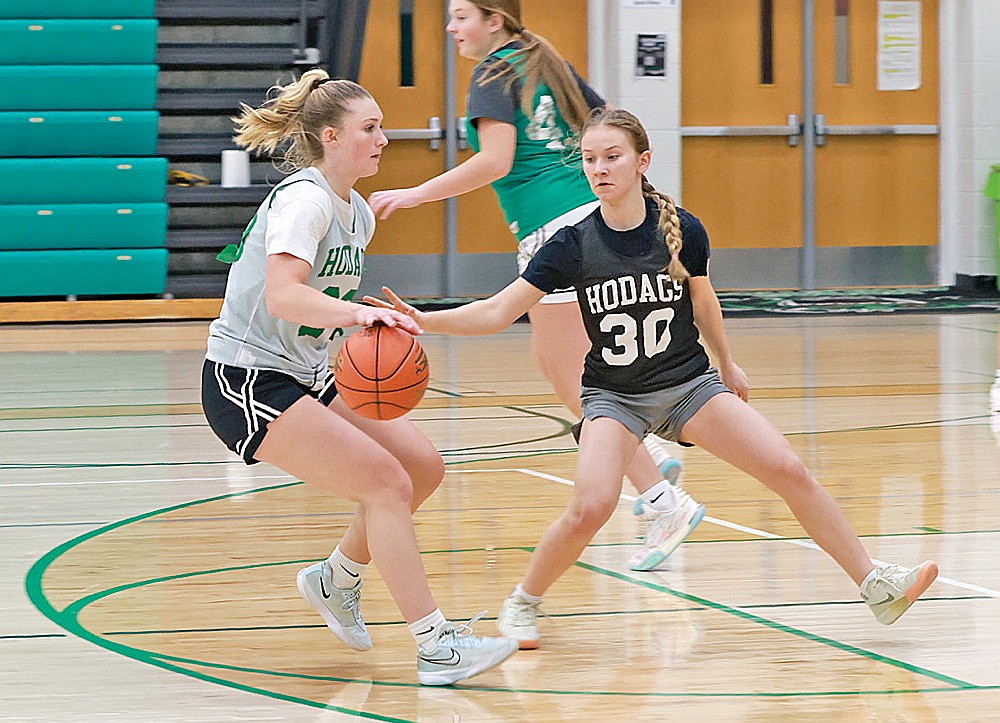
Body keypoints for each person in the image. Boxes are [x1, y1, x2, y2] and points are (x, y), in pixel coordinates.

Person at [365, 108, 939, 648]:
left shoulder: (682, 229)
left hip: (689, 385)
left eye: (610, 156)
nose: (598, 169)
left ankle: (875, 584)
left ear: (642, 160)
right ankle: (523, 600)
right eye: (589, 159)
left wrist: (726, 362)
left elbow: (704, 299)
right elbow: (498, 311)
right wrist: (424, 321)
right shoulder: (569, 243)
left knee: (787, 467)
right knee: (590, 507)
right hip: (614, 397)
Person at [200, 69, 517, 685]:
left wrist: (376, 329)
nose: (382, 139)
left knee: (423, 466)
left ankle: (335, 578)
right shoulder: (306, 199)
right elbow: (285, 296)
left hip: (304, 371)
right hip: (247, 379)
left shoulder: (357, 212)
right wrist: (356, 313)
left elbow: (322, 311)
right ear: (330, 136)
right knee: (385, 484)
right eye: (369, 129)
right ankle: (436, 648)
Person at [368, 0, 701, 574]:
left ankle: (659, 493)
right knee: (571, 363)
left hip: (556, 227)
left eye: (462, 16)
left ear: (495, 19)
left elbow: (496, 161)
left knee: (569, 369)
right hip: (591, 213)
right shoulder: (540, 58)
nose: (452, 28)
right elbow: (608, 120)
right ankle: (650, 467)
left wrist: (415, 194)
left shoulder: (494, 72)